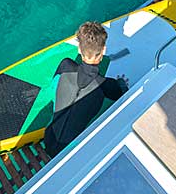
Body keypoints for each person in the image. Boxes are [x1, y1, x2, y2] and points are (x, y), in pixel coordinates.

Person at [44, 21, 128, 158]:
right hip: (70, 151)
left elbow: (56, 81)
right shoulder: (105, 85)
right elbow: (121, 94)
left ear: (79, 49)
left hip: (49, 138)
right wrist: (121, 83)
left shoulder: (65, 65)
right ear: (104, 51)